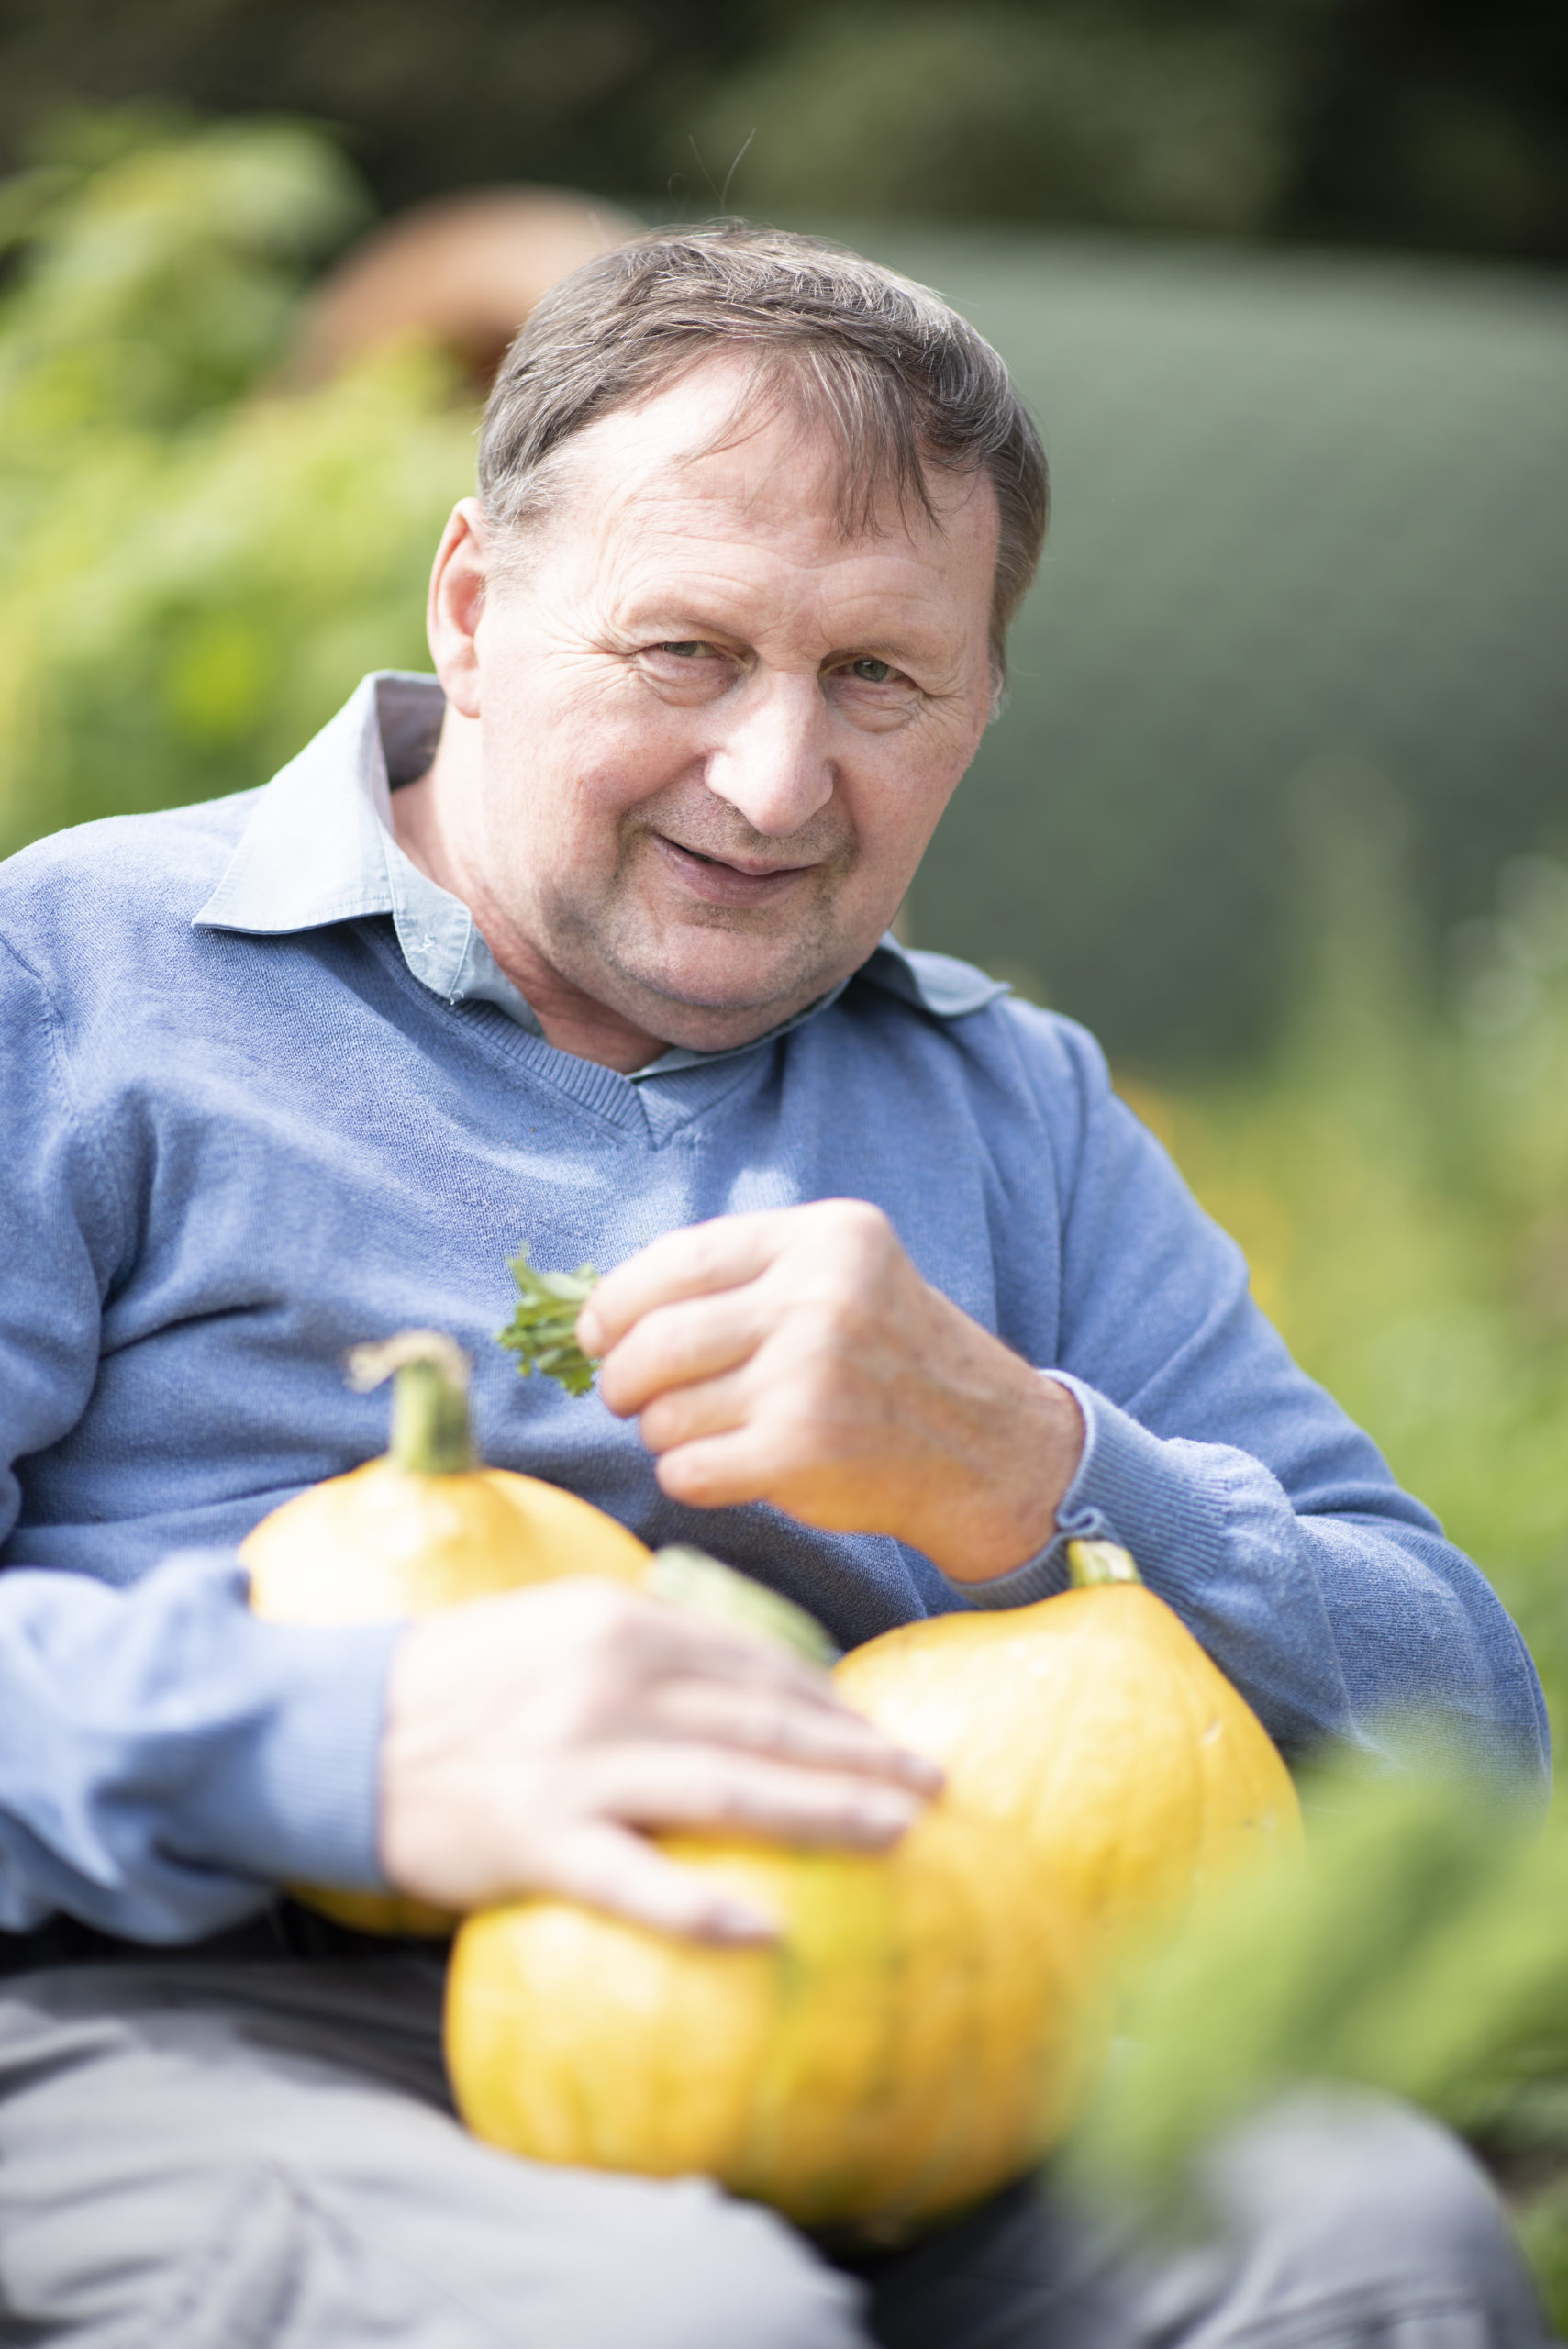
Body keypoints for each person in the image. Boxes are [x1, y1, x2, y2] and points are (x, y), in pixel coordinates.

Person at [0, 224, 1551, 2348]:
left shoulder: (1018, 1106)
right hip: (208, 2026)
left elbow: (1471, 1755)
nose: (773, 780)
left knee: (1357, 2239)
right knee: (664, 2314)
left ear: (983, 707)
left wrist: (1039, 1462)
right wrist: (349, 1740)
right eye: (685, 651)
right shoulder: (69, 984)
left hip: (918, 2036)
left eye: (880, 679)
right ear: (474, 601)